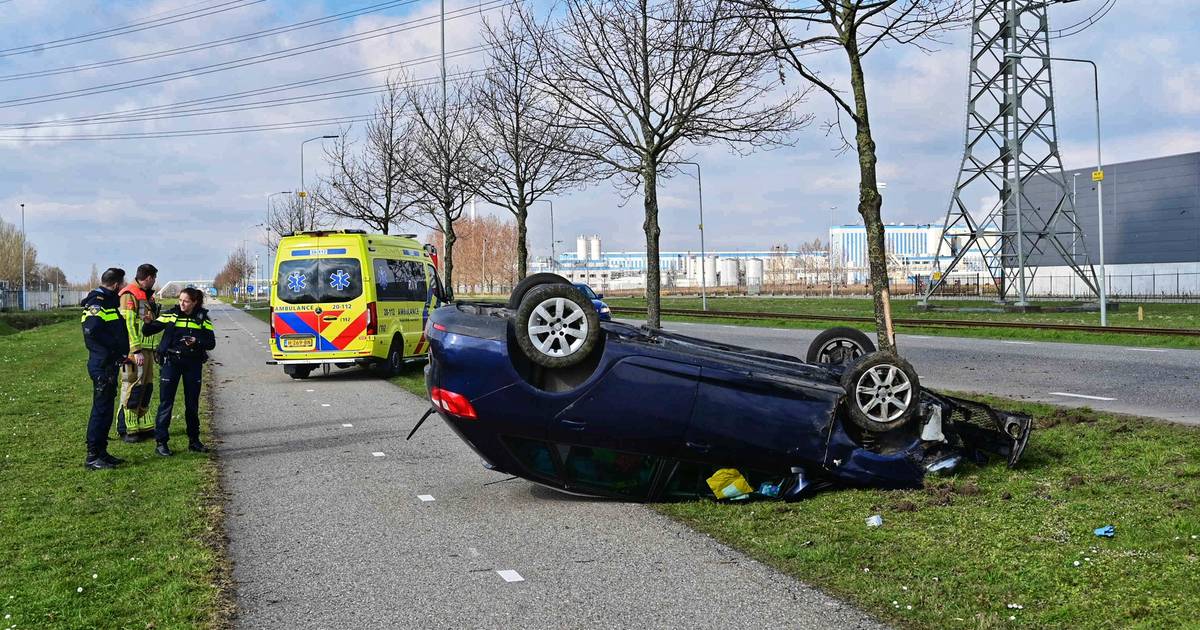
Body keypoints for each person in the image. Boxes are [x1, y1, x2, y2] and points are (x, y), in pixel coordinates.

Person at [144, 287, 215, 456]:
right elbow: (148, 331)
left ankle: (194, 441)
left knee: (192, 404)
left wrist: (196, 341)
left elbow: (211, 343)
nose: (181, 304)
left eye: (186, 301)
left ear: (195, 302)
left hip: (193, 364)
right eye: (180, 300)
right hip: (171, 363)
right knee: (166, 403)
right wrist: (147, 322)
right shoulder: (171, 314)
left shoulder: (202, 318)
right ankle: (161, 443)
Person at [80, 267, 131, 470]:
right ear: (117, 284)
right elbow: (91, 330)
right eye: (123, 283)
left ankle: (102, 451)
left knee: (107, 410)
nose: (124, 287)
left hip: (109, 364)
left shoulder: (108, 302)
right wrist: (112, 349)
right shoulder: (97, 303)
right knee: (100, 411)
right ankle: (93, 456)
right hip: (101, 365)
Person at [117, 263, 161, 442]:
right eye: (154, 279)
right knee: (132, 386)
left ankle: (142, 425)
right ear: (149, 277)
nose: (155, 282)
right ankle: (126, 428)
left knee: (146, 387)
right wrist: (135, 350)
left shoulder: (143, 295)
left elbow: (146, 322)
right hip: (134, 351)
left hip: (147, 349)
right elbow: (128, 324)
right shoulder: (130, 294)